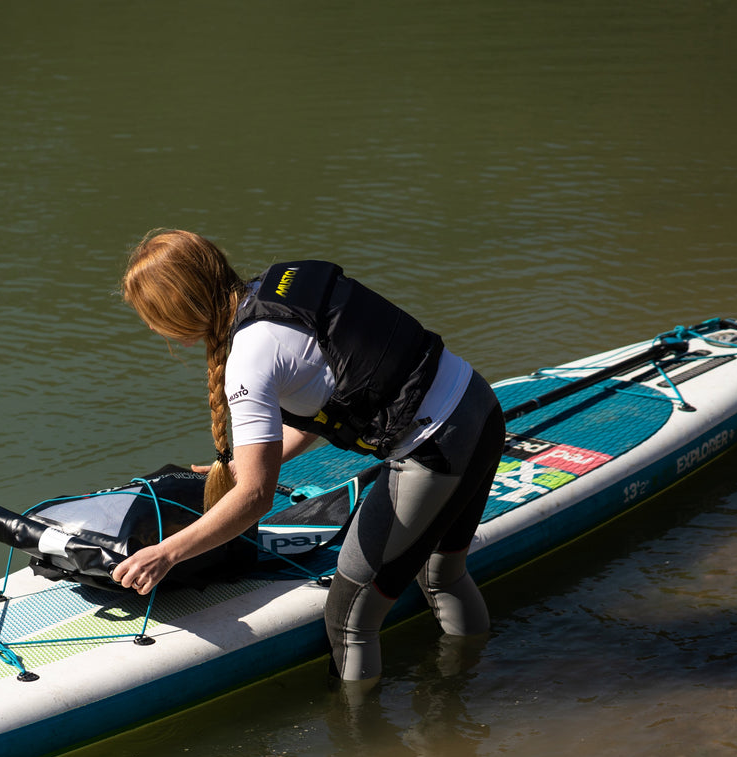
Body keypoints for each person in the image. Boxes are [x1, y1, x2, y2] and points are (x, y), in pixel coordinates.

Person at [113, 229, 505, 686]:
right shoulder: (279, 290)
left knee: (349, 620)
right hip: (479, 408)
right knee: (441, 574)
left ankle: (362, 748)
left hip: (434, 449)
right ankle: (486, 684)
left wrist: (167, 552)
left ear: (179, 316)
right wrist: (251, 460)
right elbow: (325, 399)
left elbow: (257, 498)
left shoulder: (247, 360)